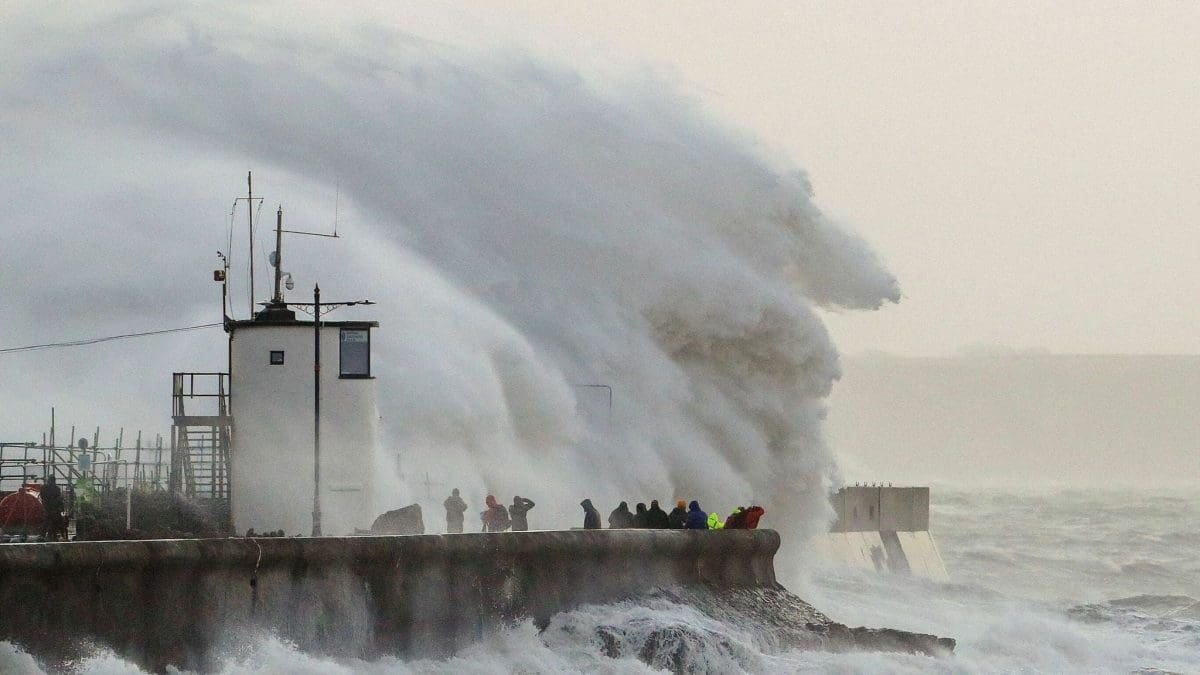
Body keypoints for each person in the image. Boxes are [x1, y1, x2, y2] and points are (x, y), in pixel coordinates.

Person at [40, 475, 64, 541]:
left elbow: (43, 498)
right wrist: (60, 508)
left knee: (47, 522)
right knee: (53, 522)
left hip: (48, 507)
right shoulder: (56, 488)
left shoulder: (44, 488)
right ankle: (52, 535)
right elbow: (59, 499)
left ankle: (44, 535)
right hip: (54, 508)